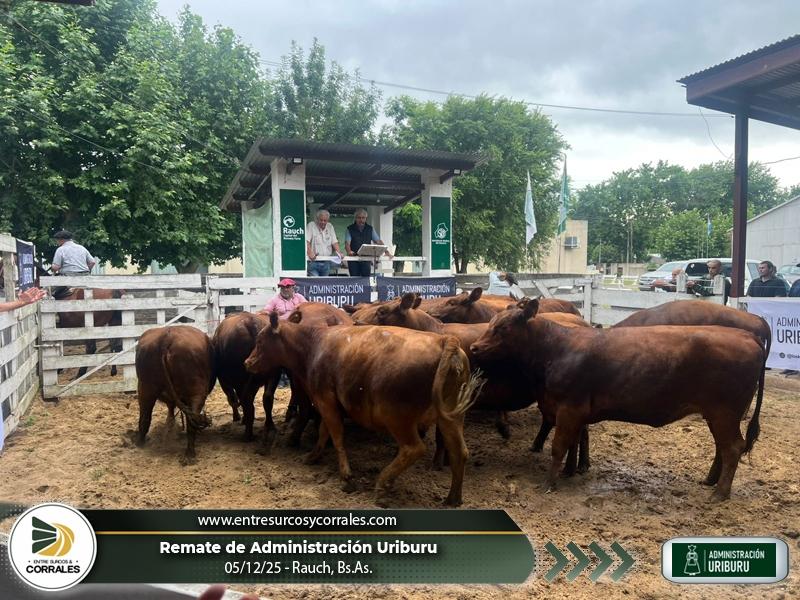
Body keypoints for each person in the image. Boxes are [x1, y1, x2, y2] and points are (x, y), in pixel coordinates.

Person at [344, 208, 393, 276]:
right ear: (355, 218)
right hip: (353, 259)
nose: (361, 220)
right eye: (359, 218)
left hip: (366, 259)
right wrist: (349, 251)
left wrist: (386, 252)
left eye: (363, 218)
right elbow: (347, 243)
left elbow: (378, 241)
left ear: (366, 218)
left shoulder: (370, 229)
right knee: (354, 279)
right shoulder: (349, 229)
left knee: (366, 279)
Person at [51, 230, 96, 299]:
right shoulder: (82, 248)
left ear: (61, 240)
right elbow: (92, 262)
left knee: (48, 290)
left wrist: (53, 267)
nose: (57, 242)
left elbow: (56, 267)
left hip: (68, 277)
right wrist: (86, 270)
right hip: (85, 276)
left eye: (57, 240)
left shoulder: (61, 249)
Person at [306, 209, 342, 276]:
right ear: (317, 219)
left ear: (328, 220)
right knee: (315, 282)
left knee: (324, 282)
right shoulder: (311, 225)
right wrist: (310, 252)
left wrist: (339, 252)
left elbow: (334, 242)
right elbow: (306, 241)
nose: (323, 222)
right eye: (321, 220)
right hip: (313, 262)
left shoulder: (330, 226)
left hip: (326, 262)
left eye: (325, 220)